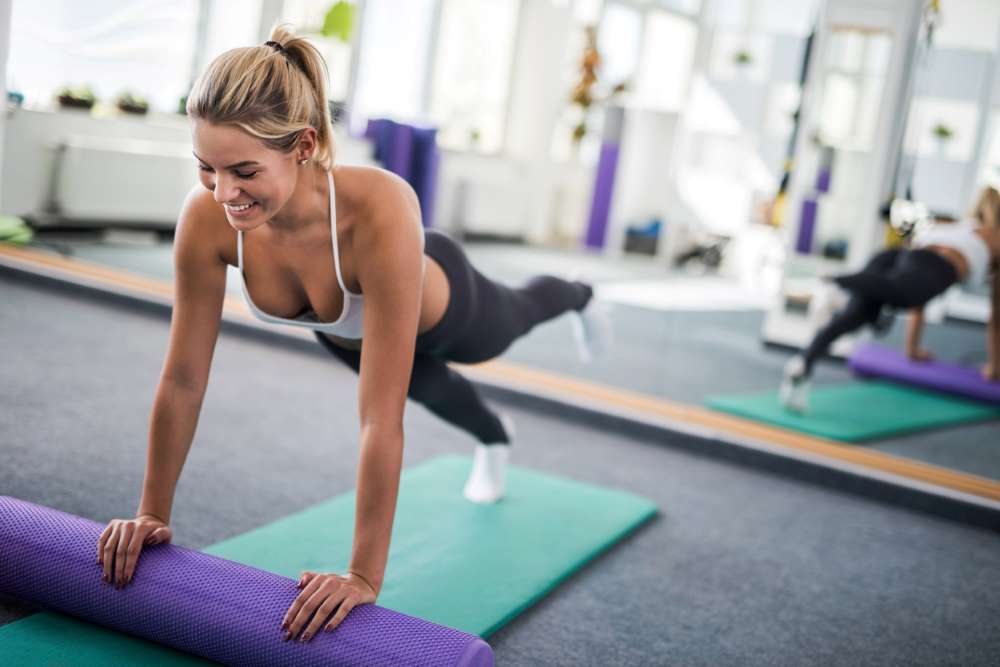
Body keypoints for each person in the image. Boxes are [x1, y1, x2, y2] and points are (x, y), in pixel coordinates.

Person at [95, 26, 611, 643]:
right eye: (206, 167)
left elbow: (377, 420)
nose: (223, 191)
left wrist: (363, 576)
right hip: (347, 333)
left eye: (244, 170)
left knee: (515, 318)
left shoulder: (380, 206)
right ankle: (497, 437)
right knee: (436, 394)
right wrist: (152, 513)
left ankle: (580, 293)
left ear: (305, 145)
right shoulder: (206, 219)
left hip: (447, 309)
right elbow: (183, 379)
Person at [780, 187, 1000, 413]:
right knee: (901, 295)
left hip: (897, 256)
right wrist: (994, 368)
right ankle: (832, 282)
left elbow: (920, 297)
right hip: (926, 266)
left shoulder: (959, 225)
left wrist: (912, 350)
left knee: (856, 316)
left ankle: (802, 365)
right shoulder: (995, 240)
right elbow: (996, 320)